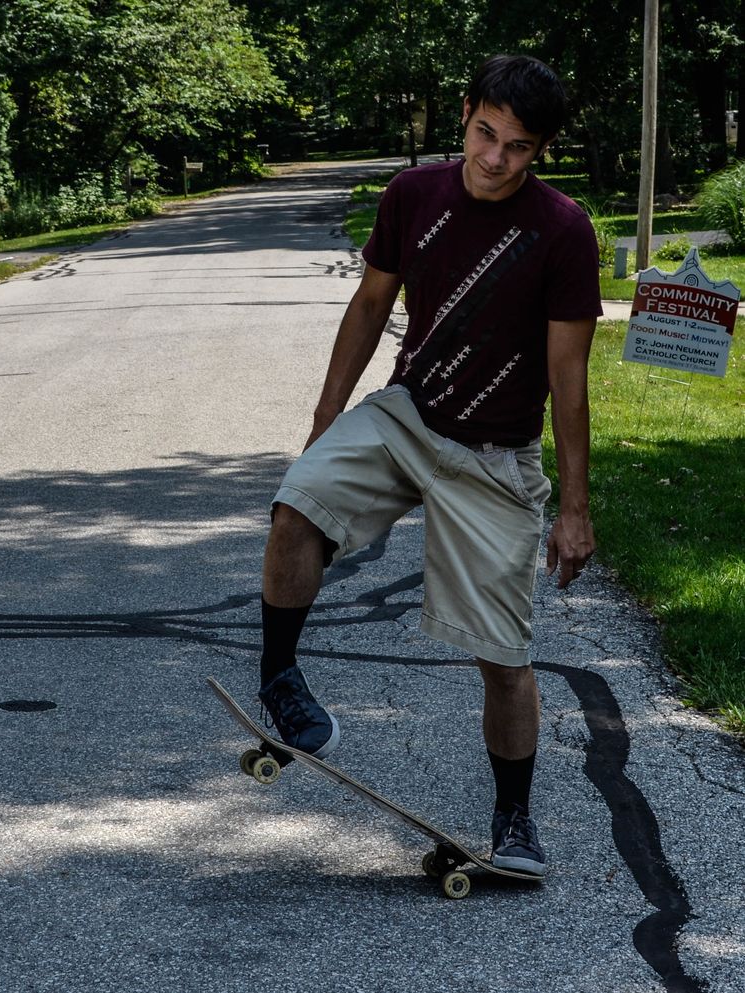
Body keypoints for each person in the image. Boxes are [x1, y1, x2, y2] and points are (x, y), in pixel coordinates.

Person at [256, 54, 602, 877]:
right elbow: (372, 303)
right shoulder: (413, 197)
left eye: (517, 148)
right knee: (298, 502)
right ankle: (281, 684)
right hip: (408, 413)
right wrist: (325, 419)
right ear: (465, 114)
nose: (494, 158)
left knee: (503, 656)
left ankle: (514, 822)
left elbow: (569, 376)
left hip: (495, 457)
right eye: (486, 133)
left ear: (539, 150)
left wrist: (576, 507)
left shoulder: (562, 228)